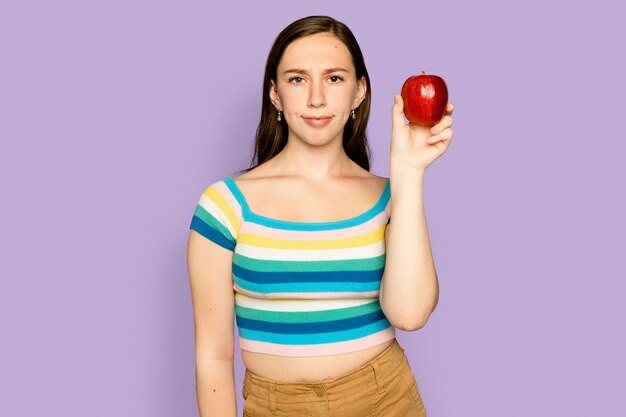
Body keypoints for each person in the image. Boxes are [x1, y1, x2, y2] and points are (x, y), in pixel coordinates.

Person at [187, 15, 454, 417]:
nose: (316, 98)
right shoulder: (224, 205)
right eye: (297, 79)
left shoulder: (388, 197)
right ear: (275, 95)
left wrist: (409, 172)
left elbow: (410, 314)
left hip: (387, 401)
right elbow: (214, 355)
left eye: (334, 79)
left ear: (359, 92)